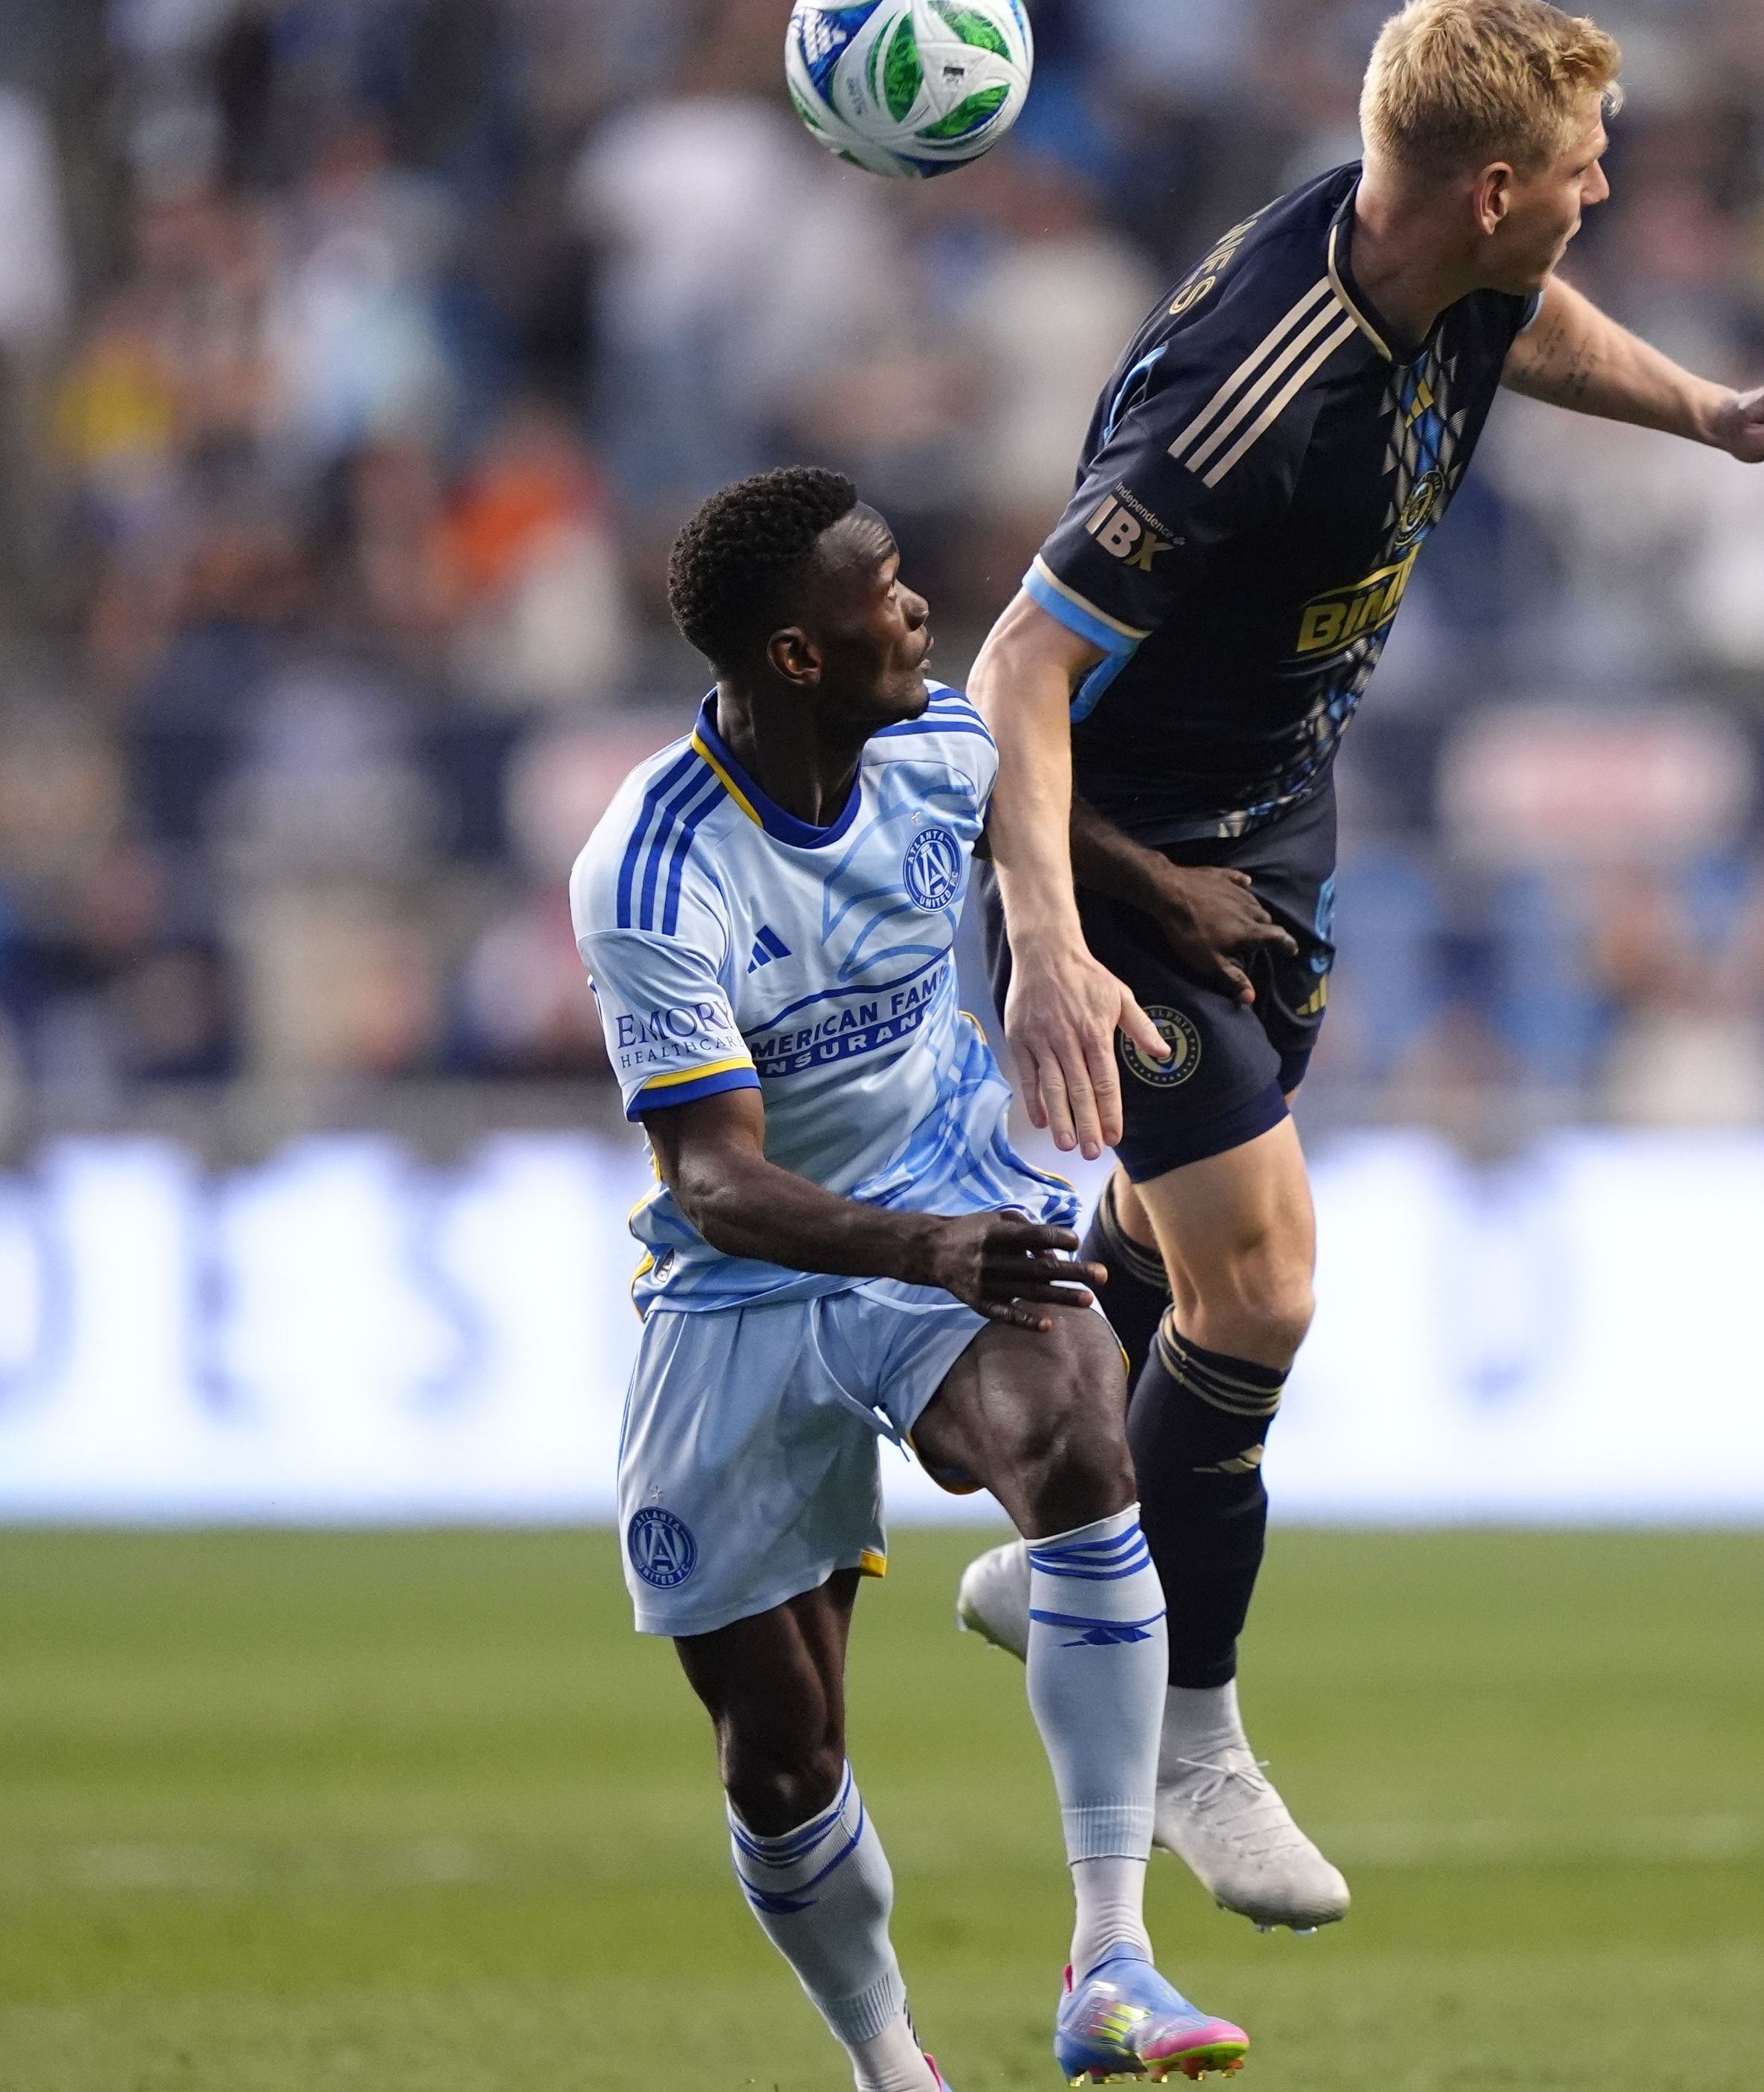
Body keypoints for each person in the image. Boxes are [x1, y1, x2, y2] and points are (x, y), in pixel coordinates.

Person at [964, 0, 1764, 1931]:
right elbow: (1013, 673)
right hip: (1116, 853)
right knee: (1264, 1288)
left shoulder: (1439, 259)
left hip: (1271, 816)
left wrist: (1711, 411)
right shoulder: (1242, 396)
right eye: (1579, 167)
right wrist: (1051, 938)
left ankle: (1067, 1545)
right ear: (1486, 186)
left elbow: (1510, 324)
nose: (1603, 187)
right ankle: (1188, 1725)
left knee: (1174, 1242)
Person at [568, 467, 1247, 2090]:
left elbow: (1011, 800)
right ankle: (893, 2066)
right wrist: (926, 1251)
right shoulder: (655, 871)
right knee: (781, 1751)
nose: (919, 606)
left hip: (944, 1175)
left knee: (1082, 1443)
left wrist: (1147, 900)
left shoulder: (928, 736)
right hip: (749, 1269)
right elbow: (719, 1181)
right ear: (799, 654)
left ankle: (1112, 1959)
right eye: (881, 590)